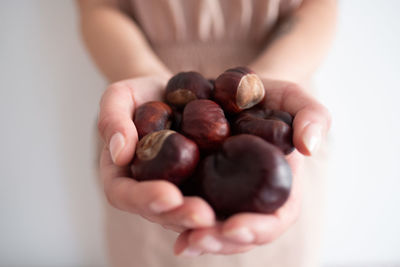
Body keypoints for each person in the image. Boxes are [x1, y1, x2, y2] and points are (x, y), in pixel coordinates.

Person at [77, 0, 337, 266]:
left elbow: (318, 6)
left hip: (281, 89)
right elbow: (100, 8)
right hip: (141, 96)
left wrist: (269, 77)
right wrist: (143, 72)